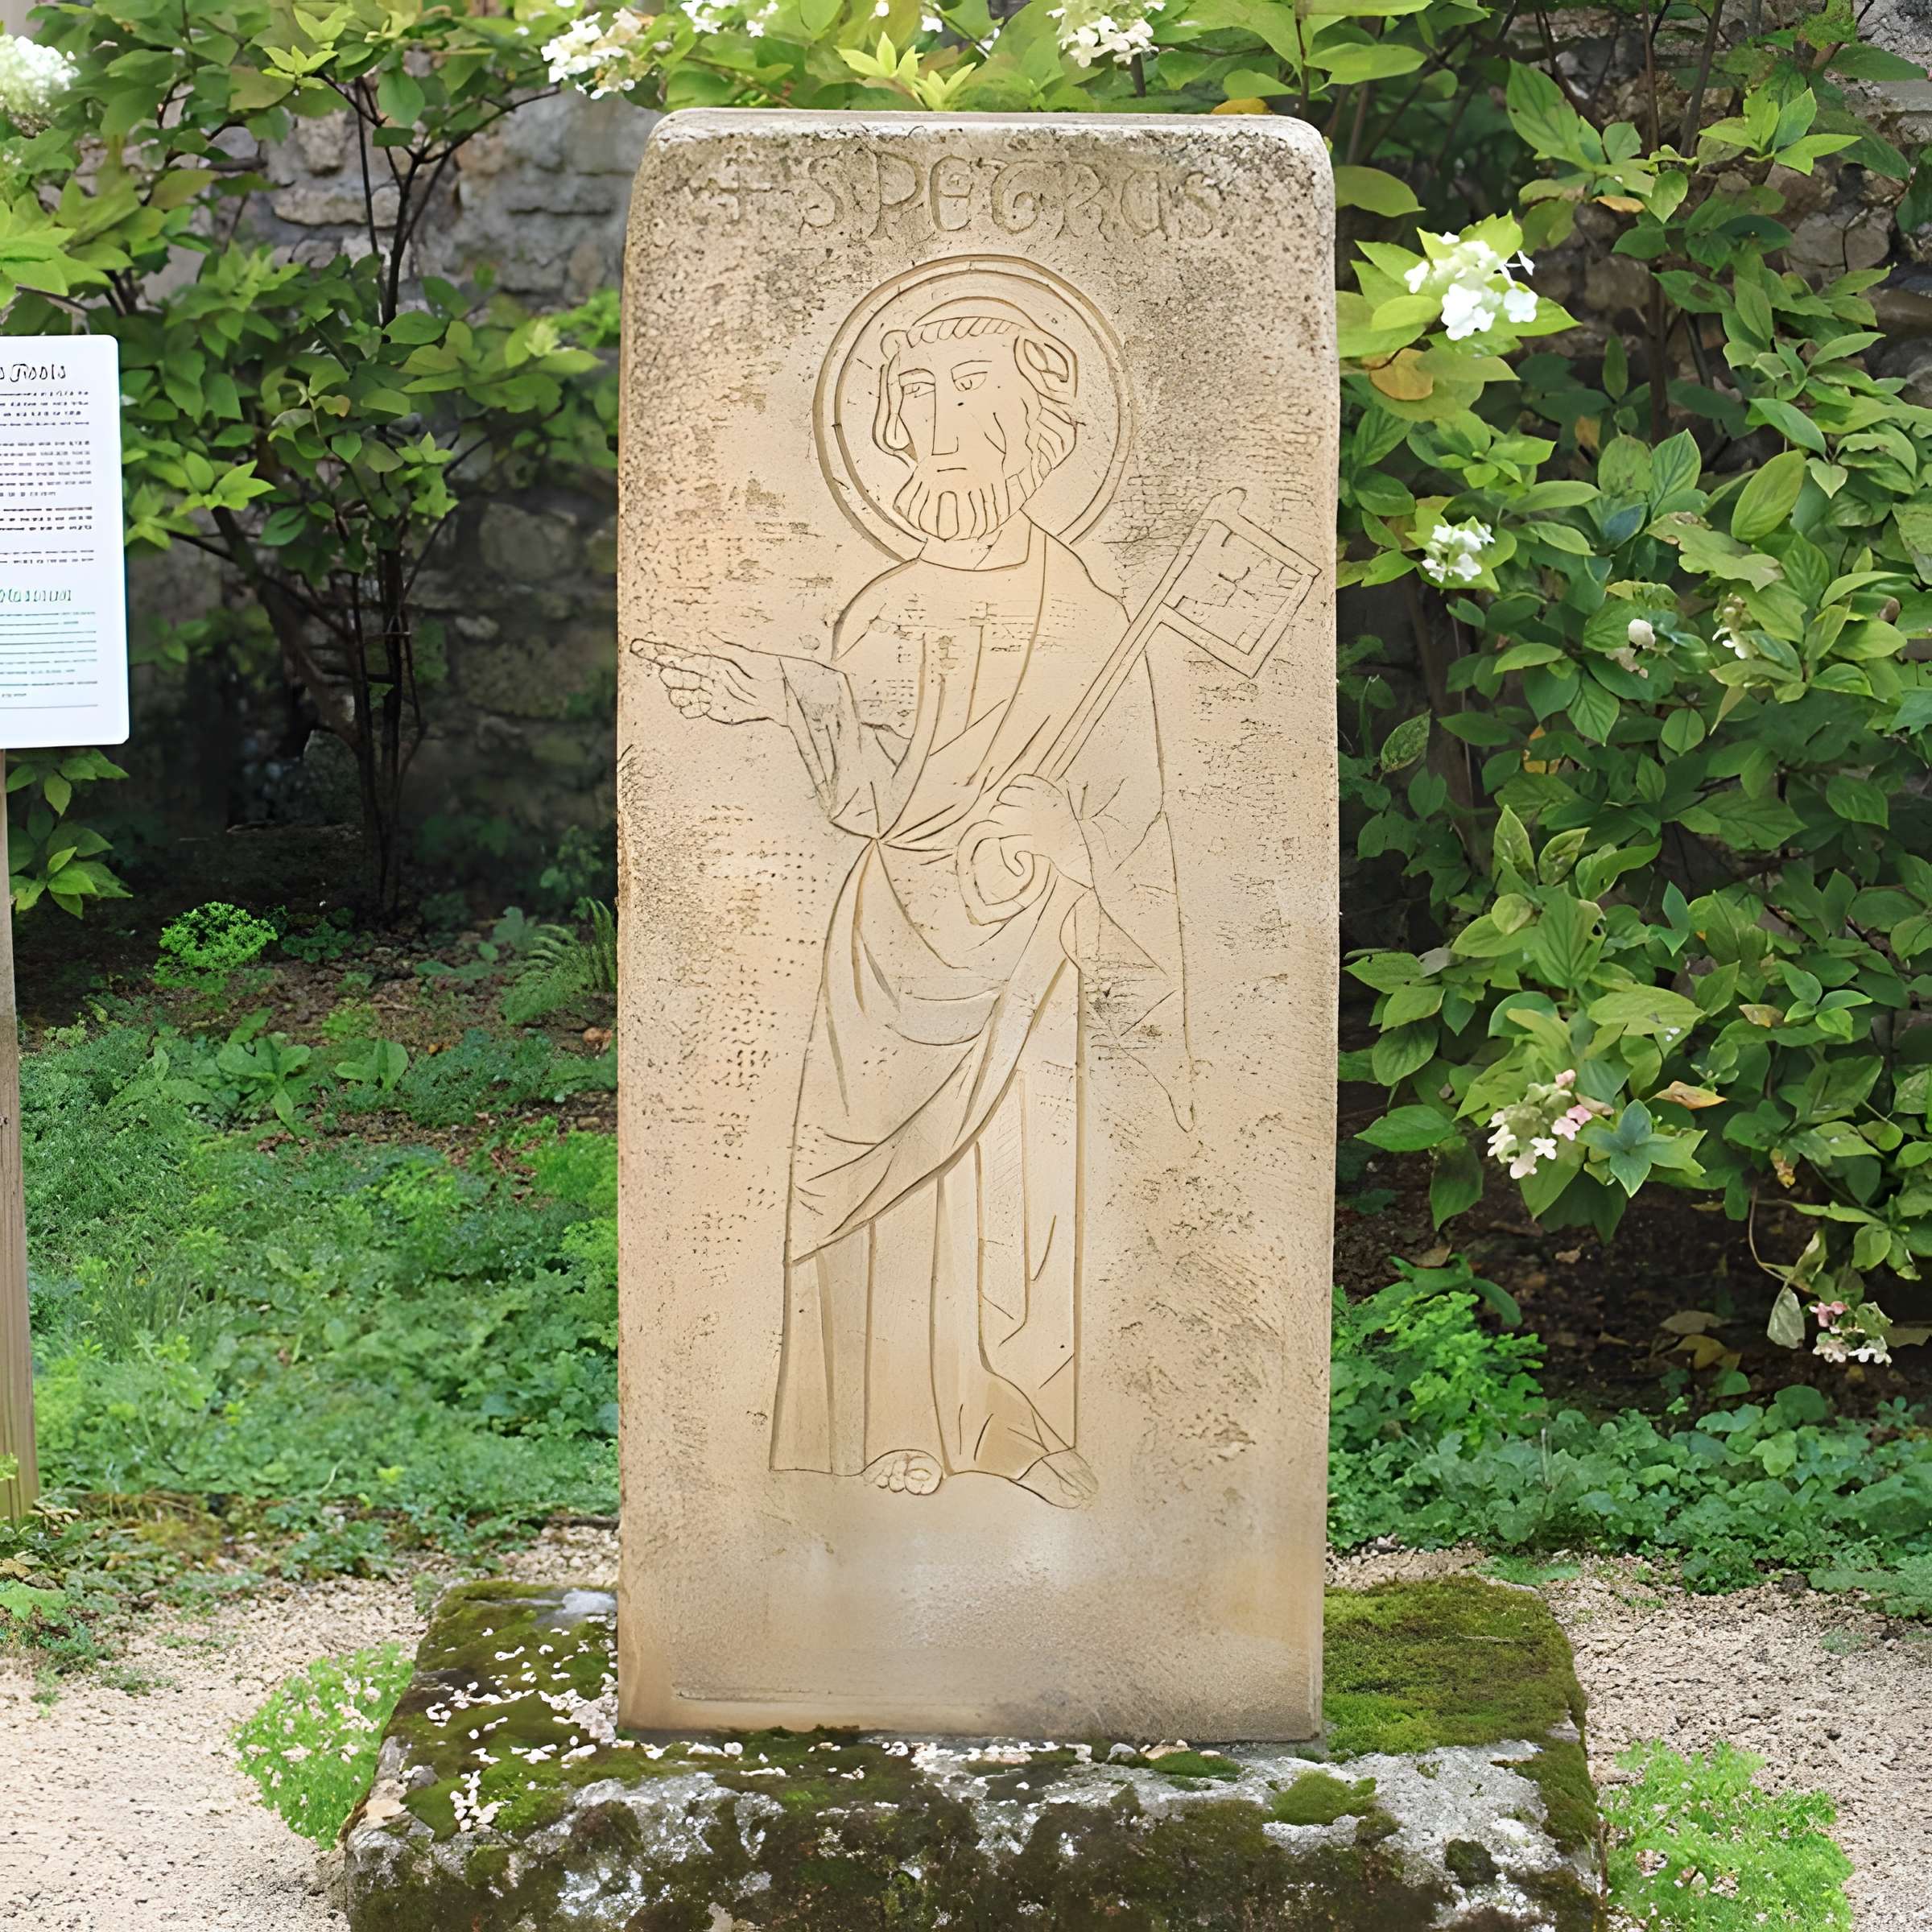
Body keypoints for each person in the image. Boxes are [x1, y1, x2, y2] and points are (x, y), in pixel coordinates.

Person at [650, 297, 1189, 1509]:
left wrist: (1069, 846)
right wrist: (782, 695)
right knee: (886, 1184)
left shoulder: (1092, 619)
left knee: (1018, 1183)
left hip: (1034, 948)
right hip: (890, 944)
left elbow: (1137, 825)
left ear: (1036, 426)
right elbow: (869, 795)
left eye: (975, 396)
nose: (944, 430)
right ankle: (889, 1419)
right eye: (923, 400)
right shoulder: (884, 607)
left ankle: (1017, 1418)